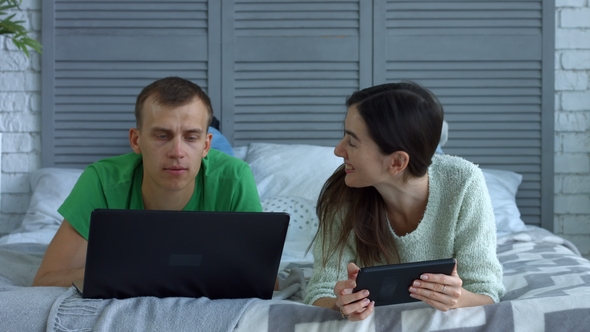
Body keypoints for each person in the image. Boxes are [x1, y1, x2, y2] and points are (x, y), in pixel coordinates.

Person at [303, 82, 506, 321]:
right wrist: (341, 304)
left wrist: (457, 298)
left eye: (352, 142)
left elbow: (486, 292)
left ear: (397, 162)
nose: (338, 150)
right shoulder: (341, 193)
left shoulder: (464, 182)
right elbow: (319, 291)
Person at [33, 76, 262, 287]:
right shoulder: (102, 180)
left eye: (191, 137)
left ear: (206, 145)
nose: (177, 152)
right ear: (136, 140)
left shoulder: (236, 178)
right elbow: (46, 280)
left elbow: (264, 280)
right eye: (162, 136)